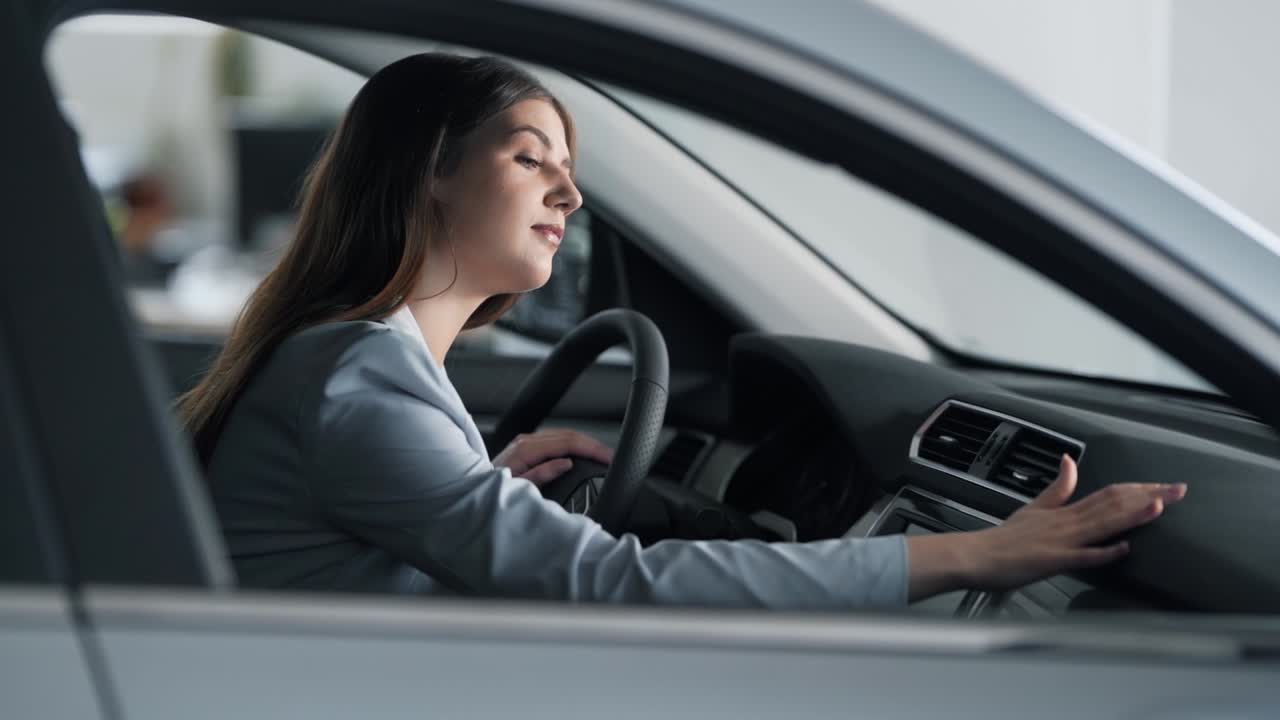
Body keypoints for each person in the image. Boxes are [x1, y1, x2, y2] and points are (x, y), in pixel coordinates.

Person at [179, 53, 1186, 608]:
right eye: (532, 158)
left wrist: (484, 476)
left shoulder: (356, 366)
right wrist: (976, 556)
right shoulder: (357, 377)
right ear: (426, 169)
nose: (569, 192)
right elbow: (608, 579)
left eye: (565, 167)